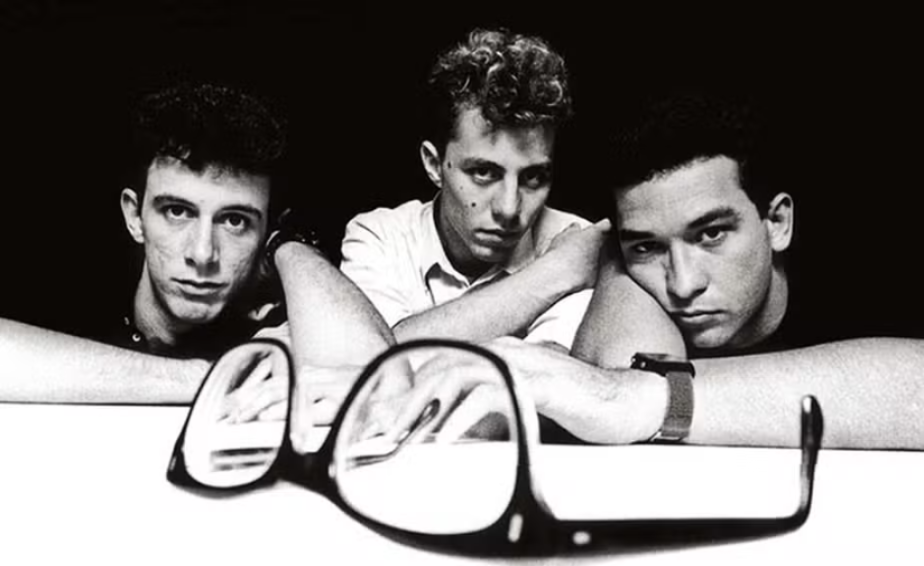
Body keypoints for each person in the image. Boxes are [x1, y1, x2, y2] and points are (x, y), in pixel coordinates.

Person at [377, 90, 924, 450]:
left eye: (711, 234)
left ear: (776, 223)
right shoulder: (630, 274)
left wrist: (637, 398)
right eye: (647, 246)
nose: (683, 283)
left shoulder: (862, 280)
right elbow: (625, 419)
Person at [1, 82, 394, 405]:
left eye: (235, 221)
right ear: (134, 217)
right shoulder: (70, 307)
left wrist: (288, 246)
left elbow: (379, 387)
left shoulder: (283, 333)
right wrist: (209, 380)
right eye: (177, 212)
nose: (203, 253)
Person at [340, 28, 609, 351]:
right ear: (433, 164)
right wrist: (554, 273)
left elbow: (541, 377)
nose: (509, 208)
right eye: (483, 173)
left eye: (533, 177)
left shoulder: (577, 241)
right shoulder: (379, 237)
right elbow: (373, 358)